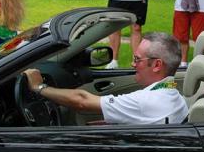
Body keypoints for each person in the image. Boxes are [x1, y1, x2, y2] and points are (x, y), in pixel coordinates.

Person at [24, 32, 188, 124]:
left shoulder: (146, 101)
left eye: (137, 59)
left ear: (157, 65)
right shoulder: (174, 94)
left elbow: (81, 101)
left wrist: (40, 87)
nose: (132, 64)